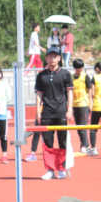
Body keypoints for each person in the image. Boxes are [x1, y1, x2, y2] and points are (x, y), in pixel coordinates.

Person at [35, 47, 74, 180]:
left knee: (62, 141)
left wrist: (70, 109)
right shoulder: (41, 75)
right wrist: (38, 112)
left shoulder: (65, 74)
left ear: (59, 58)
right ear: (46, 58)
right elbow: (39, 95)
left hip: (61, 111)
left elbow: (69, 92)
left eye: (54, 56)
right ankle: (50, 170)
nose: (52, 59)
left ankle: (62, 168)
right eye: (49, 56)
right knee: (47, 142)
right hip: (46, 112)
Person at [71, 59, 93, 153]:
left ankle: (85, 145)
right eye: (77, 68)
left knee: (82, 126)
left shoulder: (85, 76)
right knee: (78, 127)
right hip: (74, 104)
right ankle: (84, 144)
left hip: (83, 104)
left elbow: (90, 90)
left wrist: (90, 103)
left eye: (81, 68)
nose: (79, 70)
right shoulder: (71, 77)